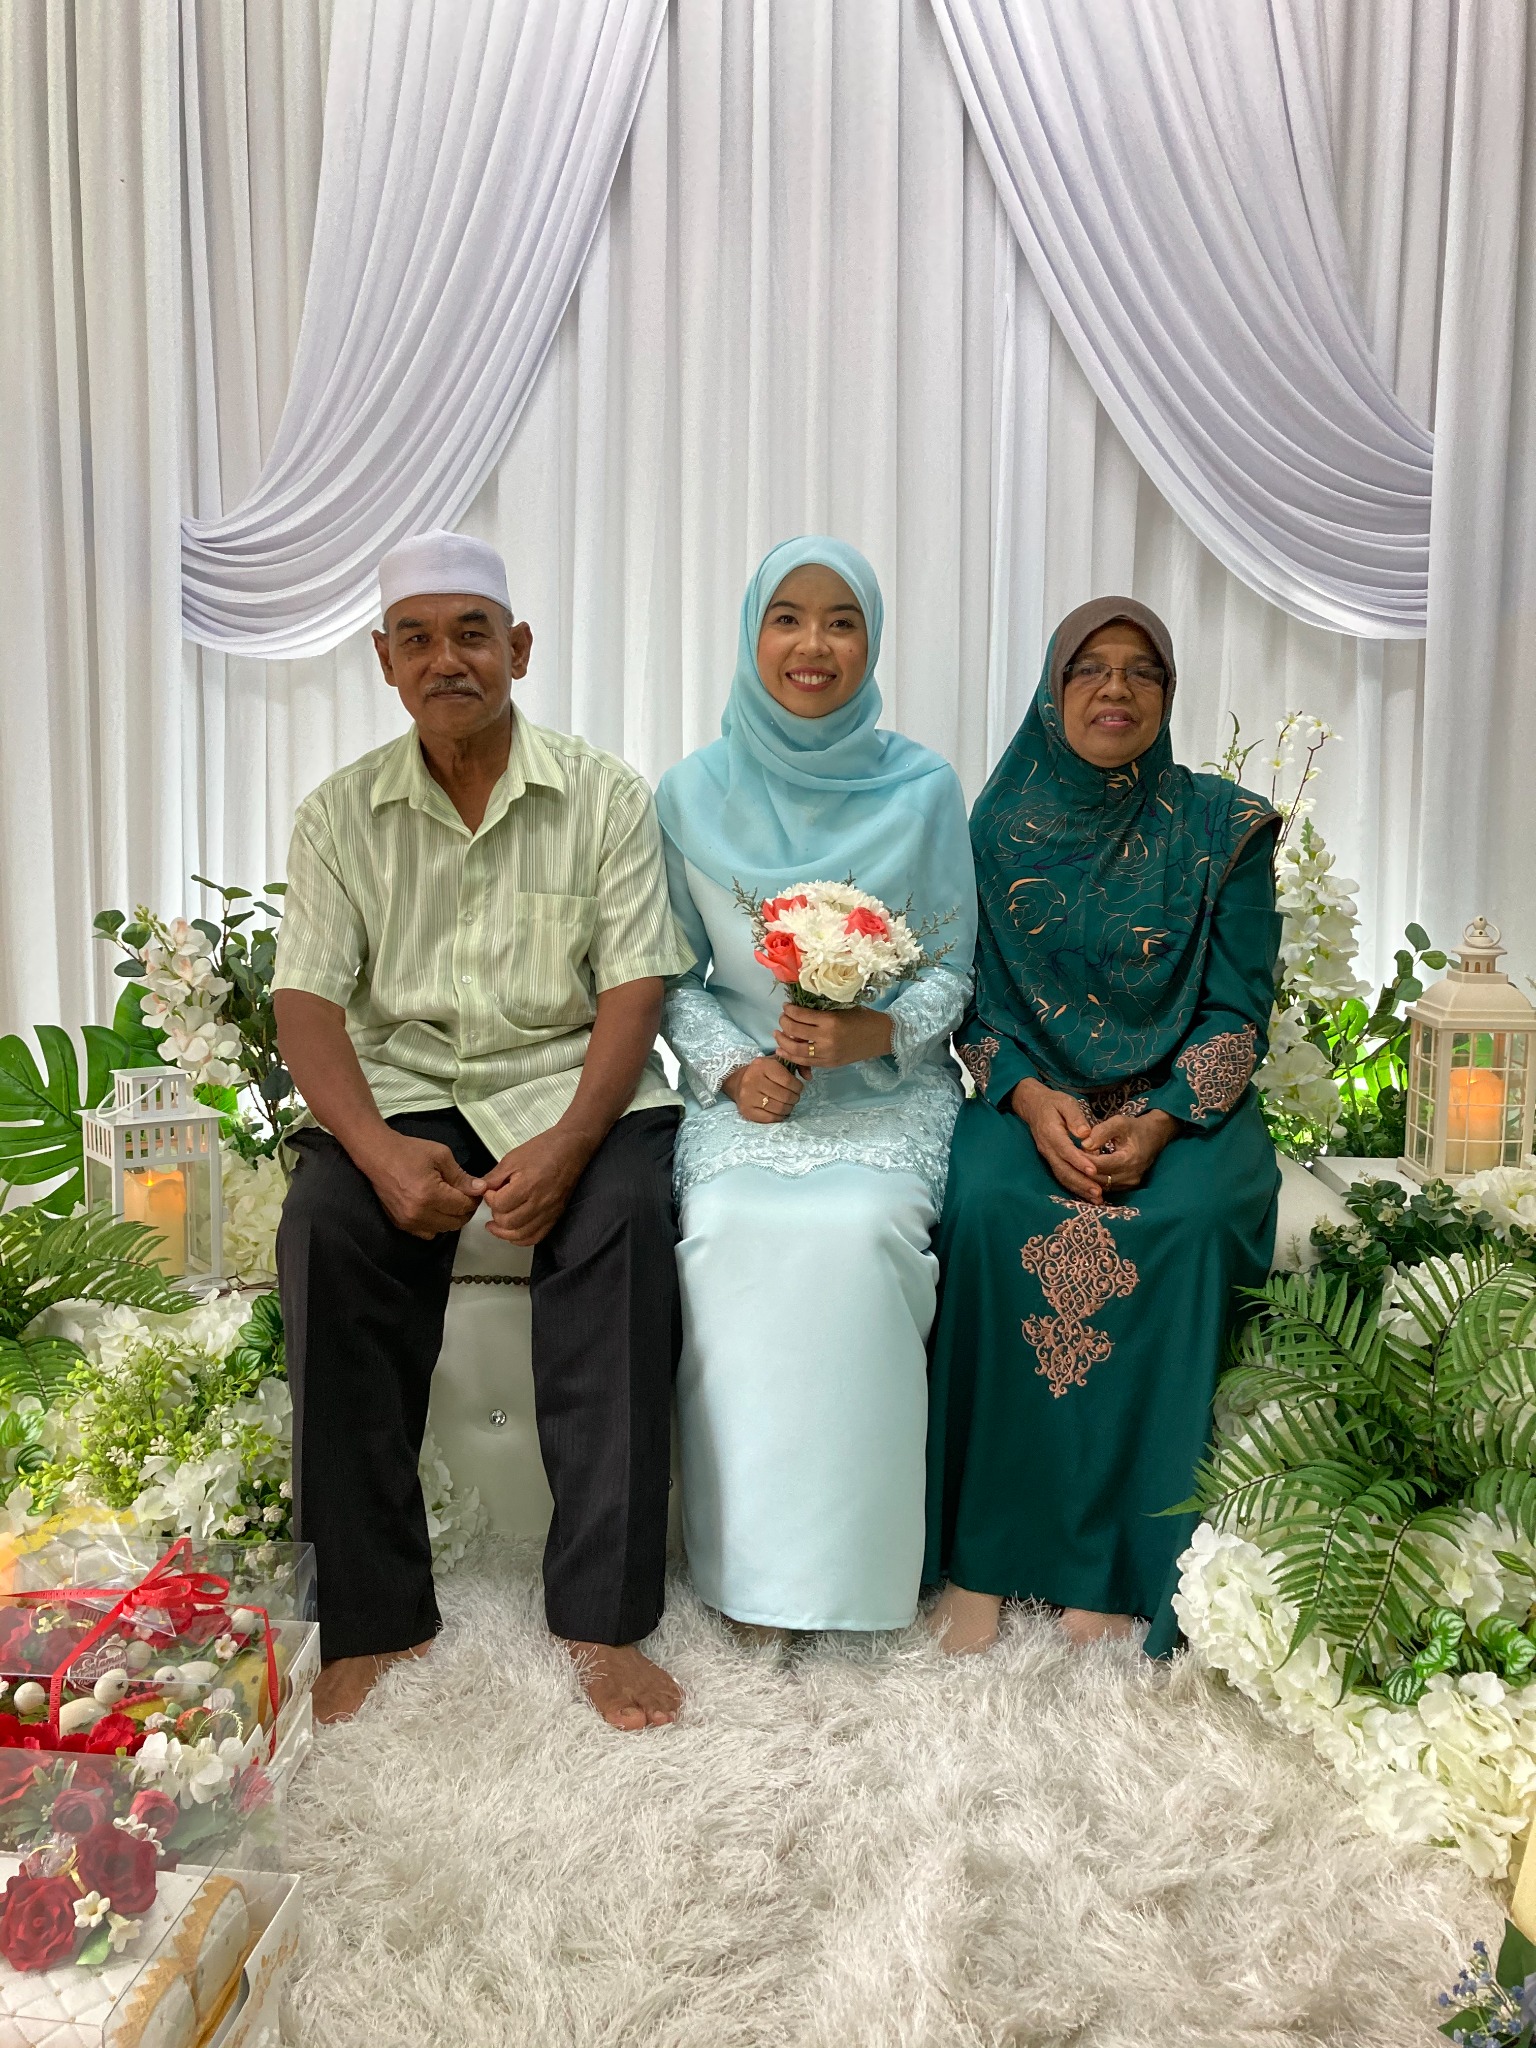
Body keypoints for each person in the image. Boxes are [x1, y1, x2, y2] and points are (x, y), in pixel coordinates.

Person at [272, 529, 693, 1730]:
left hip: (573, 1081)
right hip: (406, 1085)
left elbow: (635, 986)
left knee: (623, 1217)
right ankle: (371, 1616)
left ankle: (602, 1618)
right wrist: (373, 1147)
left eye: (471, 634)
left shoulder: (602, 794)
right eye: (417, 638)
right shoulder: (339, 814)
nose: (444, 658)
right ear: (384, 660)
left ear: (519, 648)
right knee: (327, 1226)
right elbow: (306, 1002)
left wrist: (571, 1143)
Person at [925, 596, 1281, 1658]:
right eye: (1090, 667)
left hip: (1184, 1103)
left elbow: (1237, 1009)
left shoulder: (1224, 828)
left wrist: (1164, 1121)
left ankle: (1126, 1567)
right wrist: (1031, 1100)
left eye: (1141, 671)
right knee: (988, 1207)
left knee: (1187, 1226)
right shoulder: (993, 828)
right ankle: (984, 1553)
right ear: (1052, 691)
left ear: (1167, 695)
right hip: (1034, 1094)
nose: (1115, 688)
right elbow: (973, 1008)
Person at [654, 537, 977, 1637]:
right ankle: (747, 1572)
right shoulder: (689, 792)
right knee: (726, 1230)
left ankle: (858, 1573)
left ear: (872, 642)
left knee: (862, 1232)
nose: (814, 644)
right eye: (787, 617)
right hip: (747, 1100)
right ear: (753, 635)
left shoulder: (923, 788)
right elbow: (672, 979)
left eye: (843, 621)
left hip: (886, 1095)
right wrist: (734, 1068)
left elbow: (953, 967)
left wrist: (878, 1031)